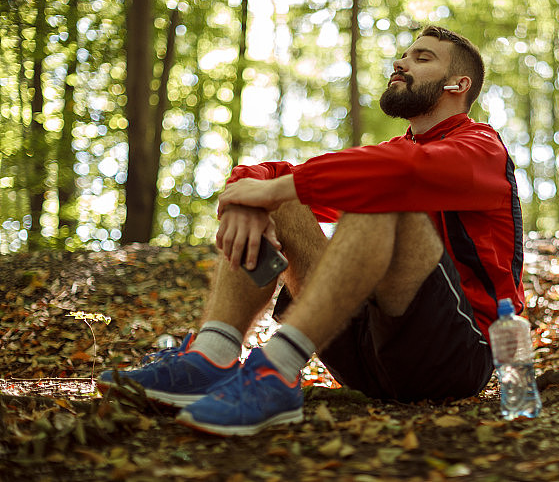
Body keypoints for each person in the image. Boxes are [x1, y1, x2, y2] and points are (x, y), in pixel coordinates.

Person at [99, 25, 525, 436]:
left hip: (454, 357)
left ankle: (276, 369)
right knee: (282, 198)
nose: (400, 62)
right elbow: (278, 174)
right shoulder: (393, 152)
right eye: (403, 54)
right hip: (362, 356)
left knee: (378, 193)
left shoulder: (482, 148)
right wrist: (244, 198)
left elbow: (401, 175)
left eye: (422, 57)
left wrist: (270, 190)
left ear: (458, 85)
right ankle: (211, 356)